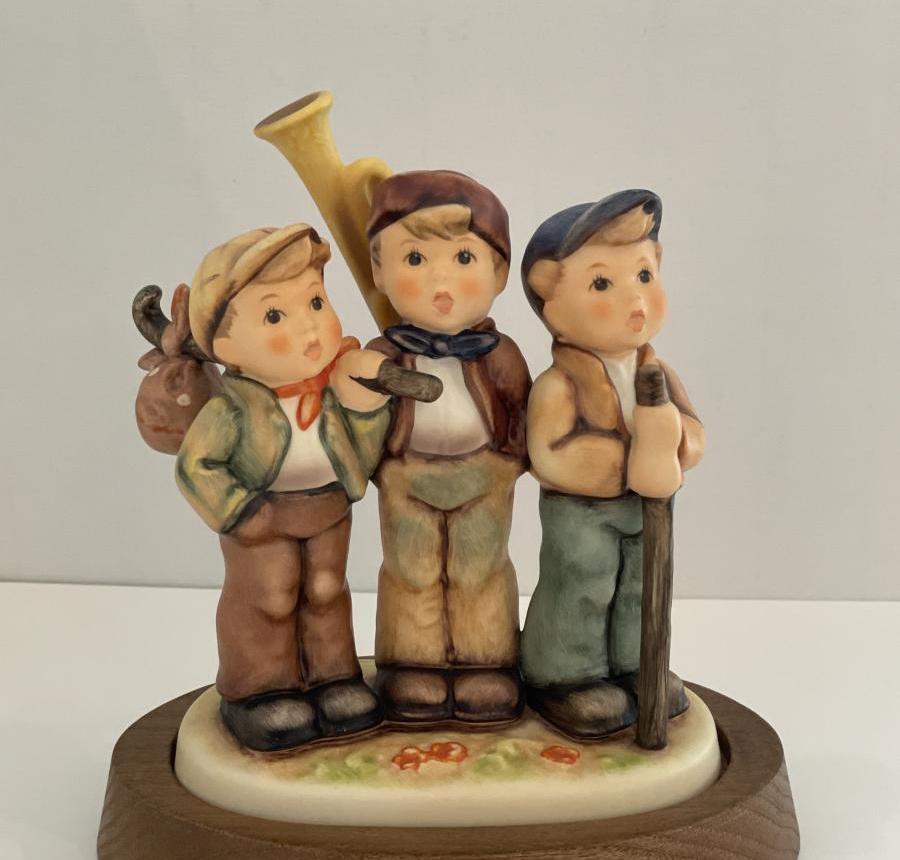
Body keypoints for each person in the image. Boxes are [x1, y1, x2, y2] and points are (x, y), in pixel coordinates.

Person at [177, 223, 437, 750]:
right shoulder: (232, 409)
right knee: (270, 596)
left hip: (327, 507)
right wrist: (241, 510)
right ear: (224, 344)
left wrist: (366, 408)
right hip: (263, 516)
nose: (310, 327)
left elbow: (361, 453)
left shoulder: (332, 390)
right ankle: (260, 690)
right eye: (275, 316)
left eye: (316, 302)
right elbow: (195, 467)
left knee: (325, 591)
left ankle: (333, 679)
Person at [519, 190, 705, 737]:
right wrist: (631, 462)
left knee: (641, 589)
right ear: (551, 301)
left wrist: (676, 448)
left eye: (644, 275)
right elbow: (549, 454)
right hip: (582, 514)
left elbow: (694, 433)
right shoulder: (558, 385)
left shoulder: (659, 373)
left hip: (649, 509)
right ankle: (566, 676)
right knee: (584, 583)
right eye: (602, 284)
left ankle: (634, 667)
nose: (634, 298)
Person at [365, 171, 531, 724]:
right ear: (378, 270)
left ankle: (487, 664)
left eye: (464, 258)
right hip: (406, 478)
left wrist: (508, 465)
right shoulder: (382, 355)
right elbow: (358, 419)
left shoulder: (500, 354)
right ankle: (412, 665)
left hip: (483, 476)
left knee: (479, 569)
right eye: (414, 259)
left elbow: (523, 411)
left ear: (499, 272)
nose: (442, 279)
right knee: (410, 571)